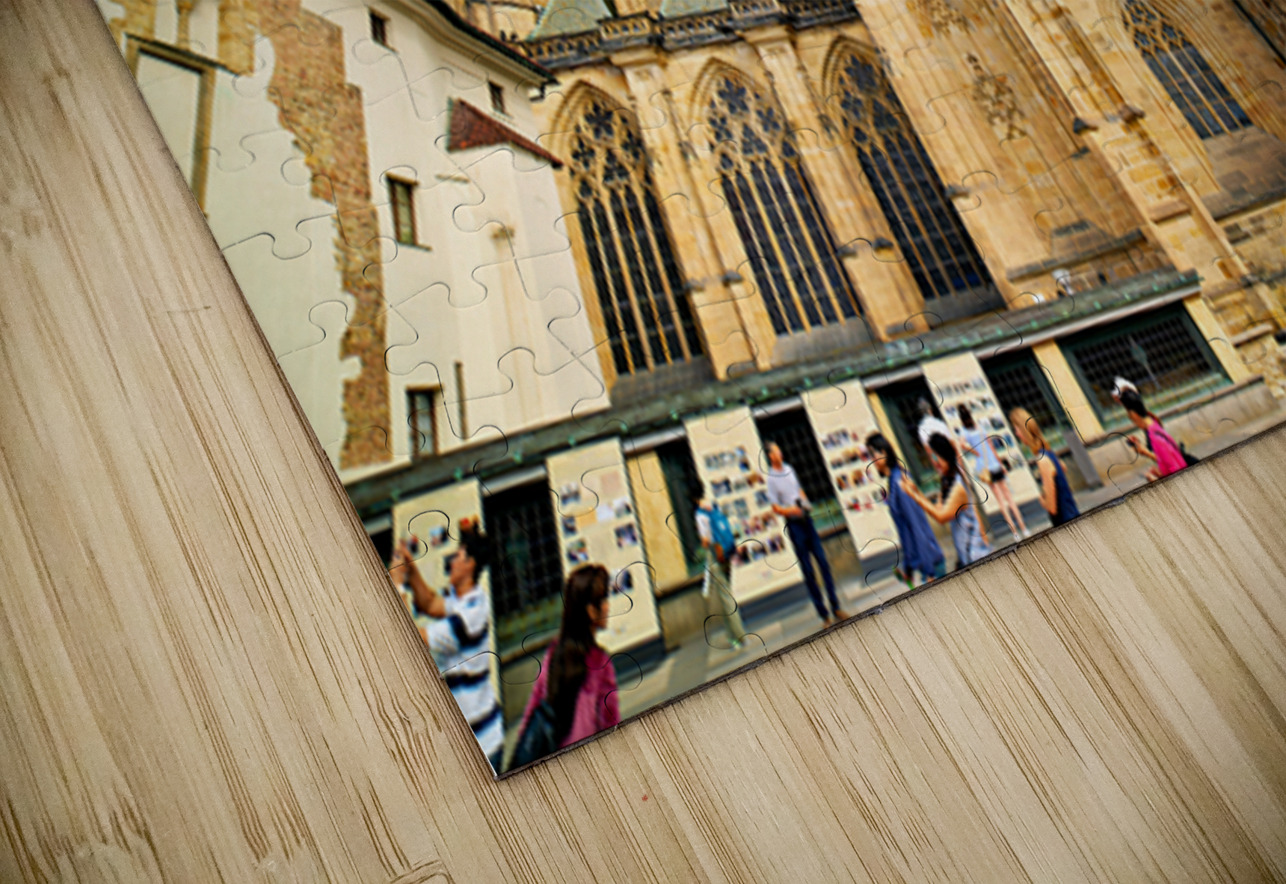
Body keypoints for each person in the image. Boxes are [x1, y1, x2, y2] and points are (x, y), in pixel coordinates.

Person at [389, 521, 504, 772]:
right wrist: (409, 567)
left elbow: (410, 638)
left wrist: (397, 587)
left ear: (470, 564)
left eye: (458, 556)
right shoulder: (463, 598)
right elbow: (429, 602)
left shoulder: (471, 614)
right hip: (472, 738)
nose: (451, 561)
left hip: (482, 745)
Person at [517, 564, 621, 759]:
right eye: (604, 599)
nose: (608, 606)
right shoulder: (600, 662)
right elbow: (610, 723)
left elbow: (533, 707)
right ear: (591, 610)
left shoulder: (553, 653)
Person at [764, 442, 848, 626]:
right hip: (795, 525)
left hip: (807, 520)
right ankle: (823, 614)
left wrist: (805, 500)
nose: (781, 452)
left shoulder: (789, 468)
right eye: (777, 451)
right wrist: (792, 510)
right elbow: (775, 507)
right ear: (771, 456)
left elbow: (798, 489)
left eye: (780, 449)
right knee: (809, 570)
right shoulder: (771, 478)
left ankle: (836, 606)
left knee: (823, 563)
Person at [900, 433, 993, 568]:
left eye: (935, 456)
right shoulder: (946, 481)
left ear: (945, 455)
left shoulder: (958, 486)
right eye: (931, 457)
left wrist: (914, 495)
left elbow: (941, 517)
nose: (934, 462)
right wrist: (916, 491)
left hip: (976, 556)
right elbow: (938, 509)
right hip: (966, 556)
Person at [866, 433, 947, 585]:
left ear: (884, 452)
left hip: (930, 565)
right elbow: (905, 530)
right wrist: (908, 568)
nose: (872, 459)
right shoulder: (893, 480)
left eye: (873, 453)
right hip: (924, 564)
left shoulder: (899, 481)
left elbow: (916, 525)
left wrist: (929, 572)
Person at [956, 403, 1028, 540]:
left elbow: (962, 445)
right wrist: (1000, 463)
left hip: (984, 467)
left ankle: (1015, 533)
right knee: (1009, 498)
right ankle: (1024, 528)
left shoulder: (964, 432)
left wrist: (974, 452)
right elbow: (991, 446)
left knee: (1001, 502)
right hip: (994, 464)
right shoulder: (980, 428)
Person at [693, 487, 747, 650]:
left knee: (726, 598)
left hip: (715, 556)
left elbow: (705, 541)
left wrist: (700, 548)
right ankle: (732, 636)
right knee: (727, 595)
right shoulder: (714, 506)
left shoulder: (700, 514)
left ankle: (739, 637)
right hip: (727, 552)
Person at [1009, 408, 1080, 527]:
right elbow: (1063, 468)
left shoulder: (1043, 460)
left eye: (1016, 429)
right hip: (1072, 516)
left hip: (1065, 523)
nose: (1016, 434)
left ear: (1023, 430)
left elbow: (1051, 508)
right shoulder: (1049, 453)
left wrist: (1042, 500)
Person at [1120, 390, 1187, 480]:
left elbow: (1176, 474)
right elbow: (1167, 461)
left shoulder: (1155, 437)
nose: (1133, 422)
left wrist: (1153, 479)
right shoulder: (1155, 425)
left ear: (1134, 415)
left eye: (1131, 418)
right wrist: (1146, 453)